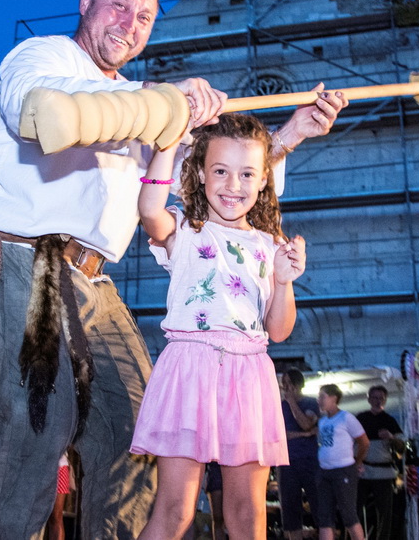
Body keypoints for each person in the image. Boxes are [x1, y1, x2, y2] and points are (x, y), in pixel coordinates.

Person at [0, 0, 345, 540]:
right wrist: (161, 100)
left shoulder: (146, 104)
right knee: (36, 423)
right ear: (86, 1)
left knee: (138, 429)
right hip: (18, 257)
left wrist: (290, 134)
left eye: (144, 17)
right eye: (119, 6)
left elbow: (214, 179)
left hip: (93, 279)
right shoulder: (43, 58)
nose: (129, 24)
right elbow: (38, 109)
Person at [131, 113, 308, 539]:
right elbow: (149, 209)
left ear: (264, 179)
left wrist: (284, 281)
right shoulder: (185, 229)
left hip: (249, 376)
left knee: (247, 513)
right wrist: (170, 138)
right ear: (200, 174)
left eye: (247, 173)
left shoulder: (270, 244)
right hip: (189, 370)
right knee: (176, 510)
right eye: (220, 171)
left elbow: (279, 331)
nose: (233, 185)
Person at [316, 384, 368, 540]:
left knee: (348, 514)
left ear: (334, 398)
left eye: (322, 397)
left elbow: (364, 442)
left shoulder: (346, 418)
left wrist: (357, 461)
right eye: (319, 397)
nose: (319, 400)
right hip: (324, 470)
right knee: (325, 516)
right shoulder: (323, 421)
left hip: (343, 469)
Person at [354, 385, 402, 540]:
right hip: (362, 471)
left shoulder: (390, 420)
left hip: (383, 473)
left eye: (381, 398)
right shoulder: (360, 419)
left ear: (385, 400)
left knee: (385, 512)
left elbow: (402, 447)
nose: (377, 401)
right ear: (369, 399)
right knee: (355, 510)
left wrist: (391, 437)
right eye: (374, 398)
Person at [277, 369, 319, 540]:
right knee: (290, 510)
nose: (286, 387)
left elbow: (306, 424)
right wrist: (305, 434)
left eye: (289, 383)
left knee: (318, 505)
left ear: (298, 384)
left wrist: (292, 403)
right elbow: (280, 434)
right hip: (286, 462)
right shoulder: (279, 406)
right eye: (284, 384)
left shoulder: (311, 402)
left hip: (310, 461)